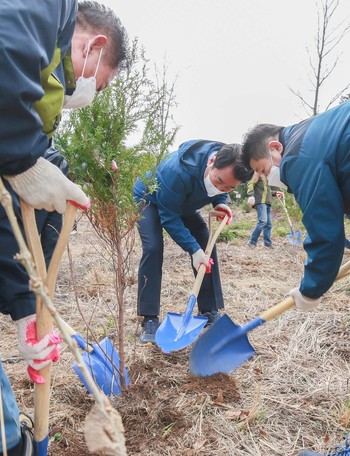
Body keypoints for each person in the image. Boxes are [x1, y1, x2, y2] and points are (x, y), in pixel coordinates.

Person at [0, 1, 127, 454]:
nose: (88, 91)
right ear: (94, 47)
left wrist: (25, 309)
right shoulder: (49, 7)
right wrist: (21, 157)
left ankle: (16, 440)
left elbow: (7, 216)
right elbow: (7, 44)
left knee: (9, 433)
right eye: (100, 80)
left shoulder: (32, 112)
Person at [133, 140, 251, 344]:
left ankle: (209, 310)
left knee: (205, 240)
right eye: (218, 180)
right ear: (212, 162)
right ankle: (149, 318)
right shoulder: (177, 170)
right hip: (149, 199)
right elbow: (169, 217)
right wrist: (193, 250)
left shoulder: (228, 165)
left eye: (228, 187)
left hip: (182, 203)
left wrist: (221, 203)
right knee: (153, 247)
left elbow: (221, 189)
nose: (220, 187)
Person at [241, 100, 350, 312]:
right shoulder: (312, 135)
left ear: (274, 147)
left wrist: (310, 290)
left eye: (263, 170)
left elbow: (325, 231)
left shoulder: (298, 156)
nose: (266, 177)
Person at [246, 171, 274, 248]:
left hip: (267, 203)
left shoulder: (267, 176)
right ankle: (252, 242)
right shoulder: (258, 173)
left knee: (268, 225)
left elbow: (267, 191)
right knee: (263, 221)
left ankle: (267, 244)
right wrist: (250, 195)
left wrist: (276, 193)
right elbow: (250, 183)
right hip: (260, 202)